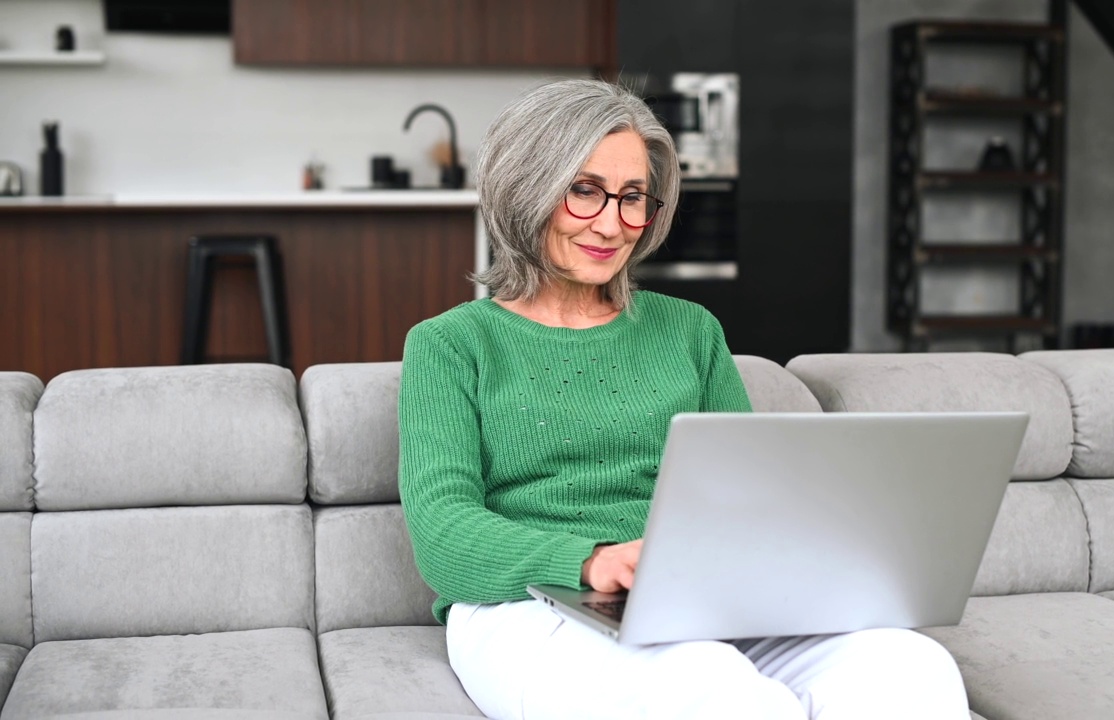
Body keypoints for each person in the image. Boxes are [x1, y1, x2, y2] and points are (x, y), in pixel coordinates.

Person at [398, 78, 969, 720]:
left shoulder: (690, 330)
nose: (613, 225)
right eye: (585, 191)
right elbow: (443, 534)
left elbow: (749, 495)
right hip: (529, 604)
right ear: (528, 188)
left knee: (912, 670)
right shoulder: (450, 344)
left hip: (695, 596)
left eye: (633, 197)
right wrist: (590, 562)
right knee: (711, 688)